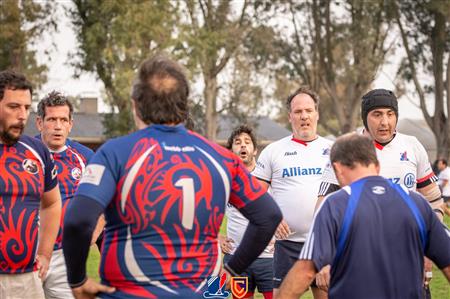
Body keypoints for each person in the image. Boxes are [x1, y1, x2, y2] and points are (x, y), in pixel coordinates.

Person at [62, 55, 282, 299]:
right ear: (184, 104)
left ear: (135, 105)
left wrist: (77, 279)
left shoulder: (115, 153)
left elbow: (77, 220)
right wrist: (233, 269)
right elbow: (268, 216)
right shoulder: (221, 158)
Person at [278, 133, 450, 299]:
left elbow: (306, 271)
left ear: (337, 168)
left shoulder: (335, 205)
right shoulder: (417, 203)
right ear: (377, 166)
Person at [316, 88, 444, 291]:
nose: (385, 122)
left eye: (390, 114)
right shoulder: (345, 148)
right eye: (377, 114)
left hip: (408, 255)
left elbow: (435, 201)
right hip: (358, 258)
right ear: (365, 118)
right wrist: (324, 257)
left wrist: (428, 249)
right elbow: (323, 207)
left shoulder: (412, 146)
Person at [252, 87, 332, 298]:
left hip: (324, 244)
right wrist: (272, 218)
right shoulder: (273, 151)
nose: (304, 116)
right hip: (287, 247)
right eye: (298, 112)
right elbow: (253, 195)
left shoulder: (335, 150)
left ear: (317, 114)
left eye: (308, 110)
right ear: (290, 117)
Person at [0, 70, 61, 298]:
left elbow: (52, 203)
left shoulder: (38, 151)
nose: (22, 115)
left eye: (26, 107)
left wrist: (45, 253)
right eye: (14, 107)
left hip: (26, 281)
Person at [35, 91, 95, 299]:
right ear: (39, 123)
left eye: (63, 120)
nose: (58, 126)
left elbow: (102, 202)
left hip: (64, 255)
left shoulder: (86, 157)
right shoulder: (22, 153)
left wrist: (91, 235)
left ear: (71, 123)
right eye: (52, 119)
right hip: (27, 253)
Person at [220, 125, 274, 299]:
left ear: (255, 150)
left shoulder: (270, 178)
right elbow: (206, 213)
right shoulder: (224, 181)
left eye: (247, 142)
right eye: (237, 142)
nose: (243, 146)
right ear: (230, 151)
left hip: (269, 259)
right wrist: (217, 238)